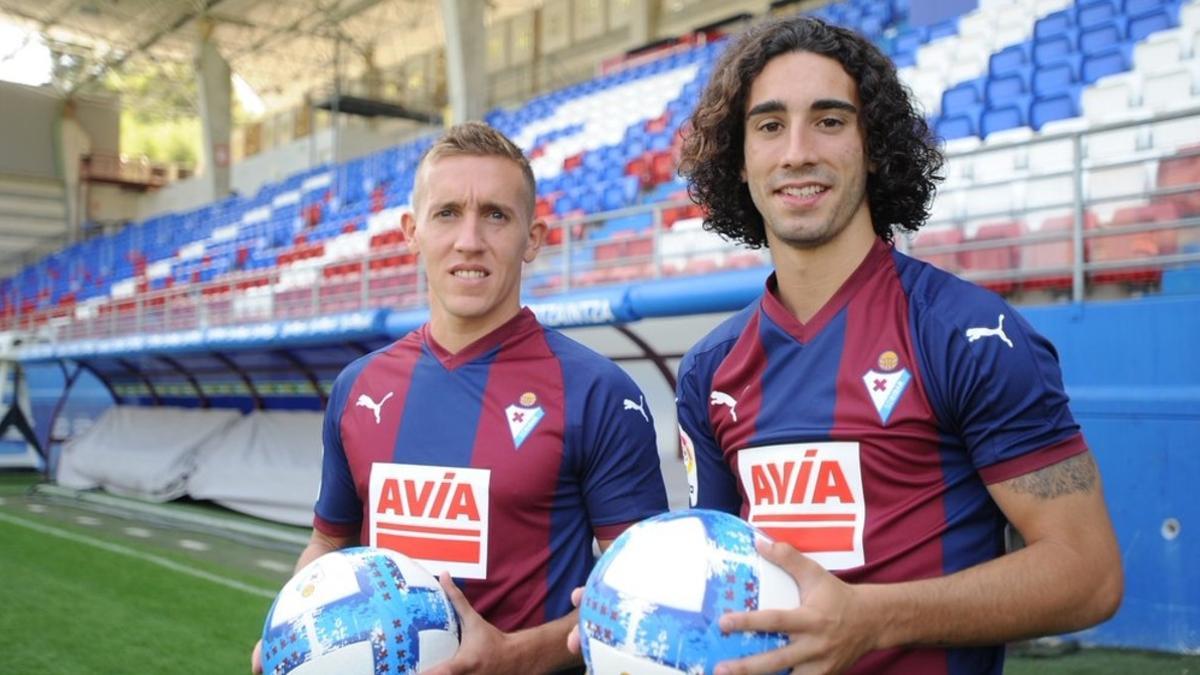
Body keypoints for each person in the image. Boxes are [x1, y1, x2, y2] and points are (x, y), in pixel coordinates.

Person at [668, 15, 1122, 675]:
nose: (797, 151)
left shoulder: (967, 335)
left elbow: (1089, 573)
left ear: (873, 145)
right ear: (739, 161)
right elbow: (713, 574)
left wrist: (873, 618)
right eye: (769, 126)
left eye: (829, 121)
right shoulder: (710, 368)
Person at [252, 122, 668, 674]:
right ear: (412, 230)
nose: (469, 239)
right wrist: (288, 631)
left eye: (496, 214)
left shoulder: (598, 393)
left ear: (534, 239)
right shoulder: (359, 388)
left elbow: (643, 597)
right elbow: (328, 545)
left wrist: (516, 658)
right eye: (447, 213)